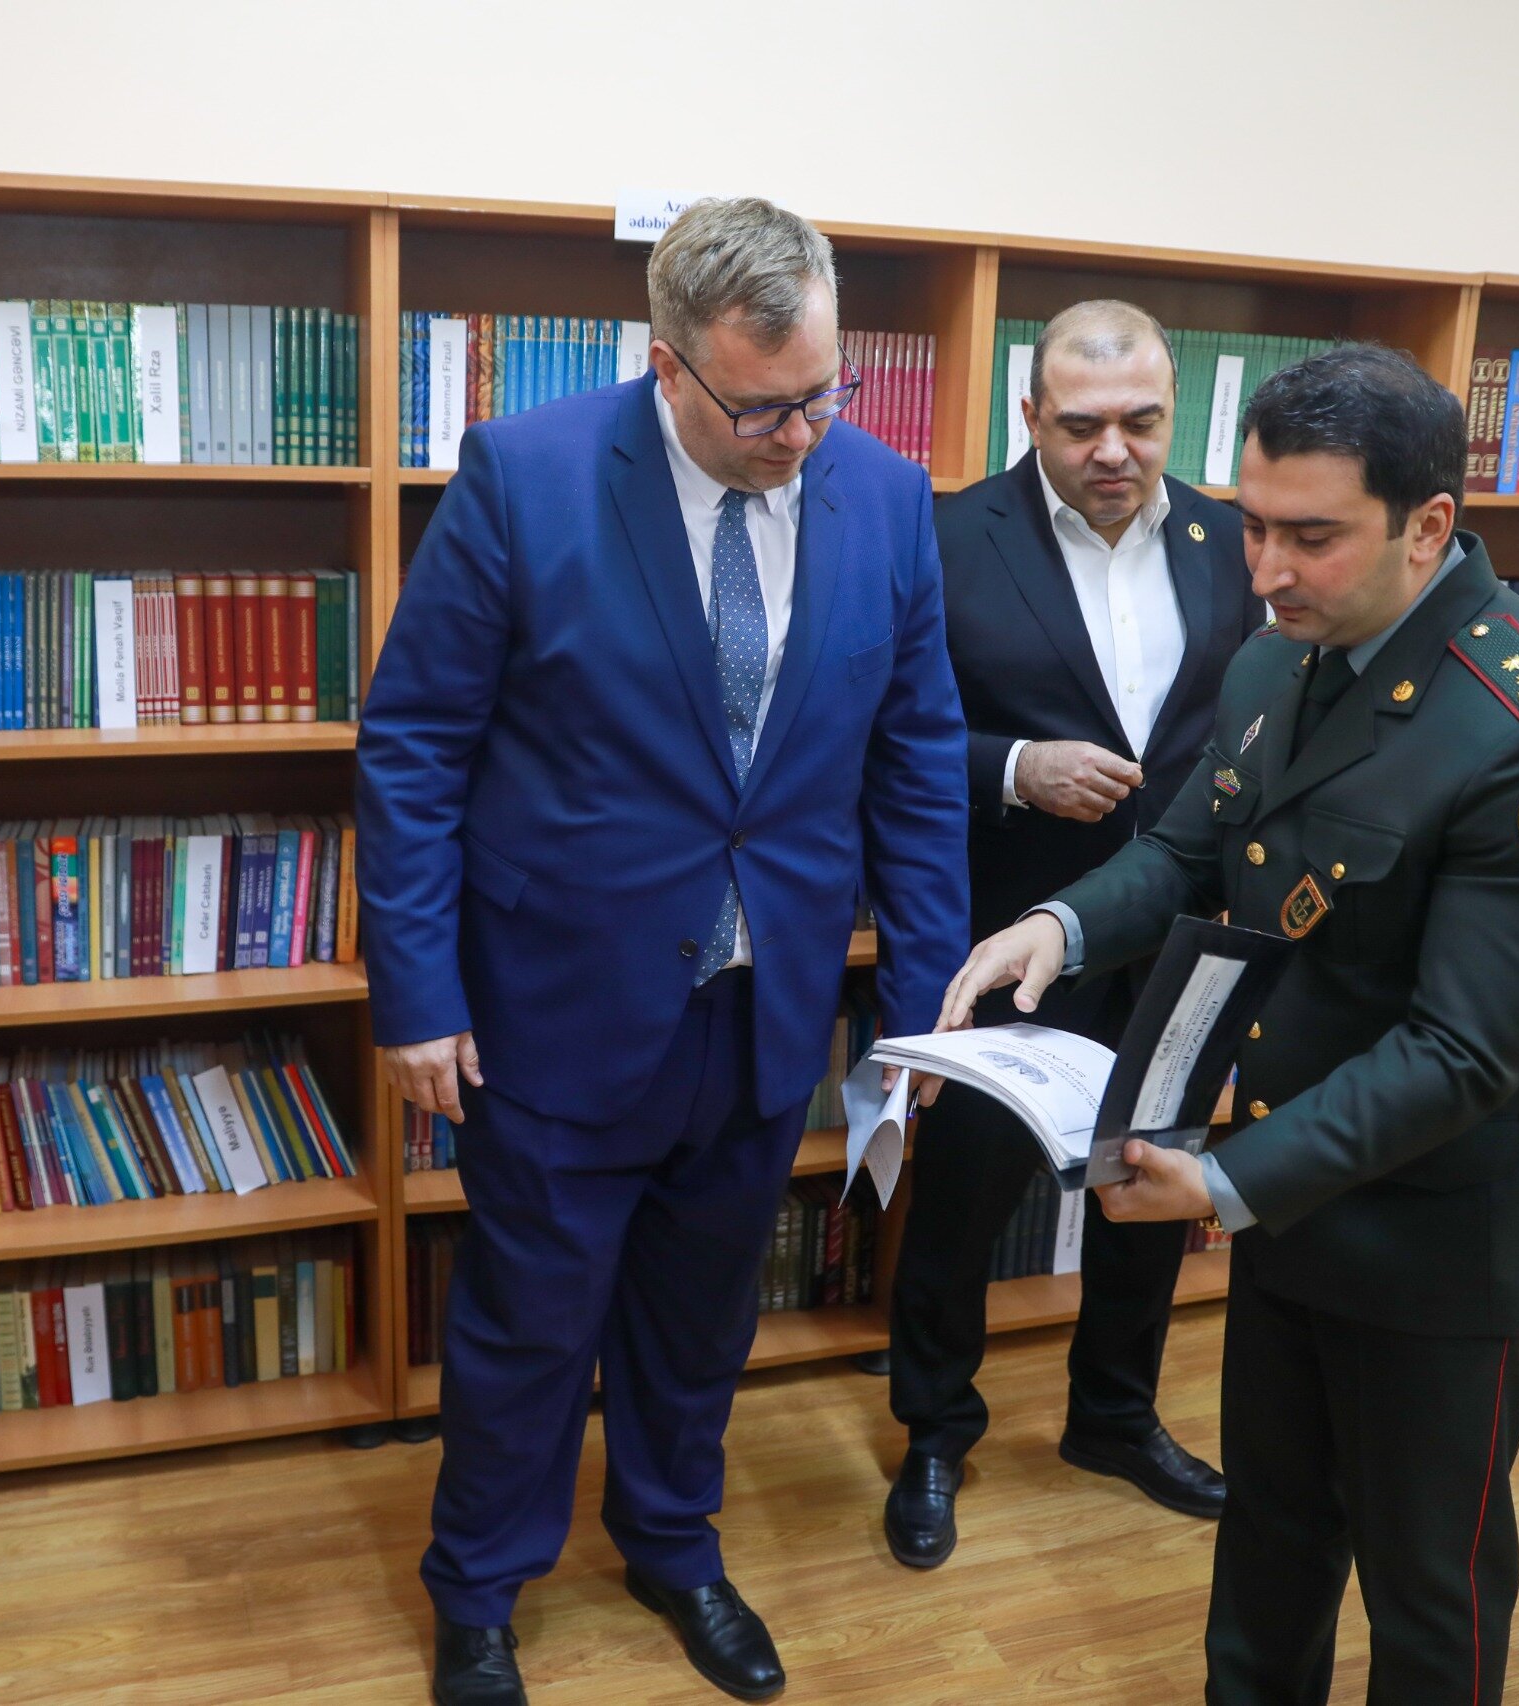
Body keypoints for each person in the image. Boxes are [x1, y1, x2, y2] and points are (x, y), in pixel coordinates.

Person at [939, 343, 1519, 1706]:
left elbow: (1463, 1050)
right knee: (1271, 1534)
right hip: (1290, 1194)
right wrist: (1061, 927)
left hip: (1435, 1236)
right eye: (1254, 524)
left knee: (1428, 1587)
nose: (1263, 568)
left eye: (1310, 536)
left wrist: (1223, 1182)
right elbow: (1186, 849)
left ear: (1426, 524)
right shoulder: (1279, 659)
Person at [356, 196, 968, 1706]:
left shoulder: (889, 498)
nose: (798, 435)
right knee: (529, 1325)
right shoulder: (528, 475)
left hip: (766, 1004)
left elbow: (917, 762)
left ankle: (672, 1543)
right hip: (557, 1000)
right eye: (761, 407)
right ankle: (480, 1589)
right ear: (666, 362)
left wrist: (924, 1009)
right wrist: (416, 991)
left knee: (702, 1314)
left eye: (823, 394)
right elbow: (416, 746)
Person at [884, 300, 1261, 1567]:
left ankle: (1113, 1412)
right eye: (1083, 423)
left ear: (1174, 414)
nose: (1114, 450)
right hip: (1007, 933)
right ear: (1029, 414)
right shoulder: (945, 538)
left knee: (1147, 1178)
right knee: (963, 1194)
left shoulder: (1228, 540)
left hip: (1182, 936)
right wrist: (1012, 766)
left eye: (1142, 422)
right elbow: (880, 731)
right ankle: (935, 1429)